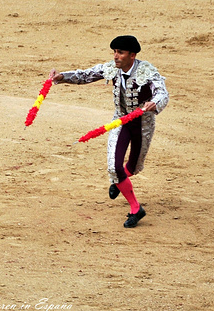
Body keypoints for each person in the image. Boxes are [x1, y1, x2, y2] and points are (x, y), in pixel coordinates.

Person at [49, 35, 169, 228]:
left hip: (143, 125)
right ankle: (135, 208)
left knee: (133, 167)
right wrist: (62, 77)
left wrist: (155, 102)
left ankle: (120, 180)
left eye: (120, 52)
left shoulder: (147, 71)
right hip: (120, 122)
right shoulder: (112, 68)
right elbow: (86, 75)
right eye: (114, 52)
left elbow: (162, 92)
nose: (115, 56)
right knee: (114, 167)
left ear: (132, 55)